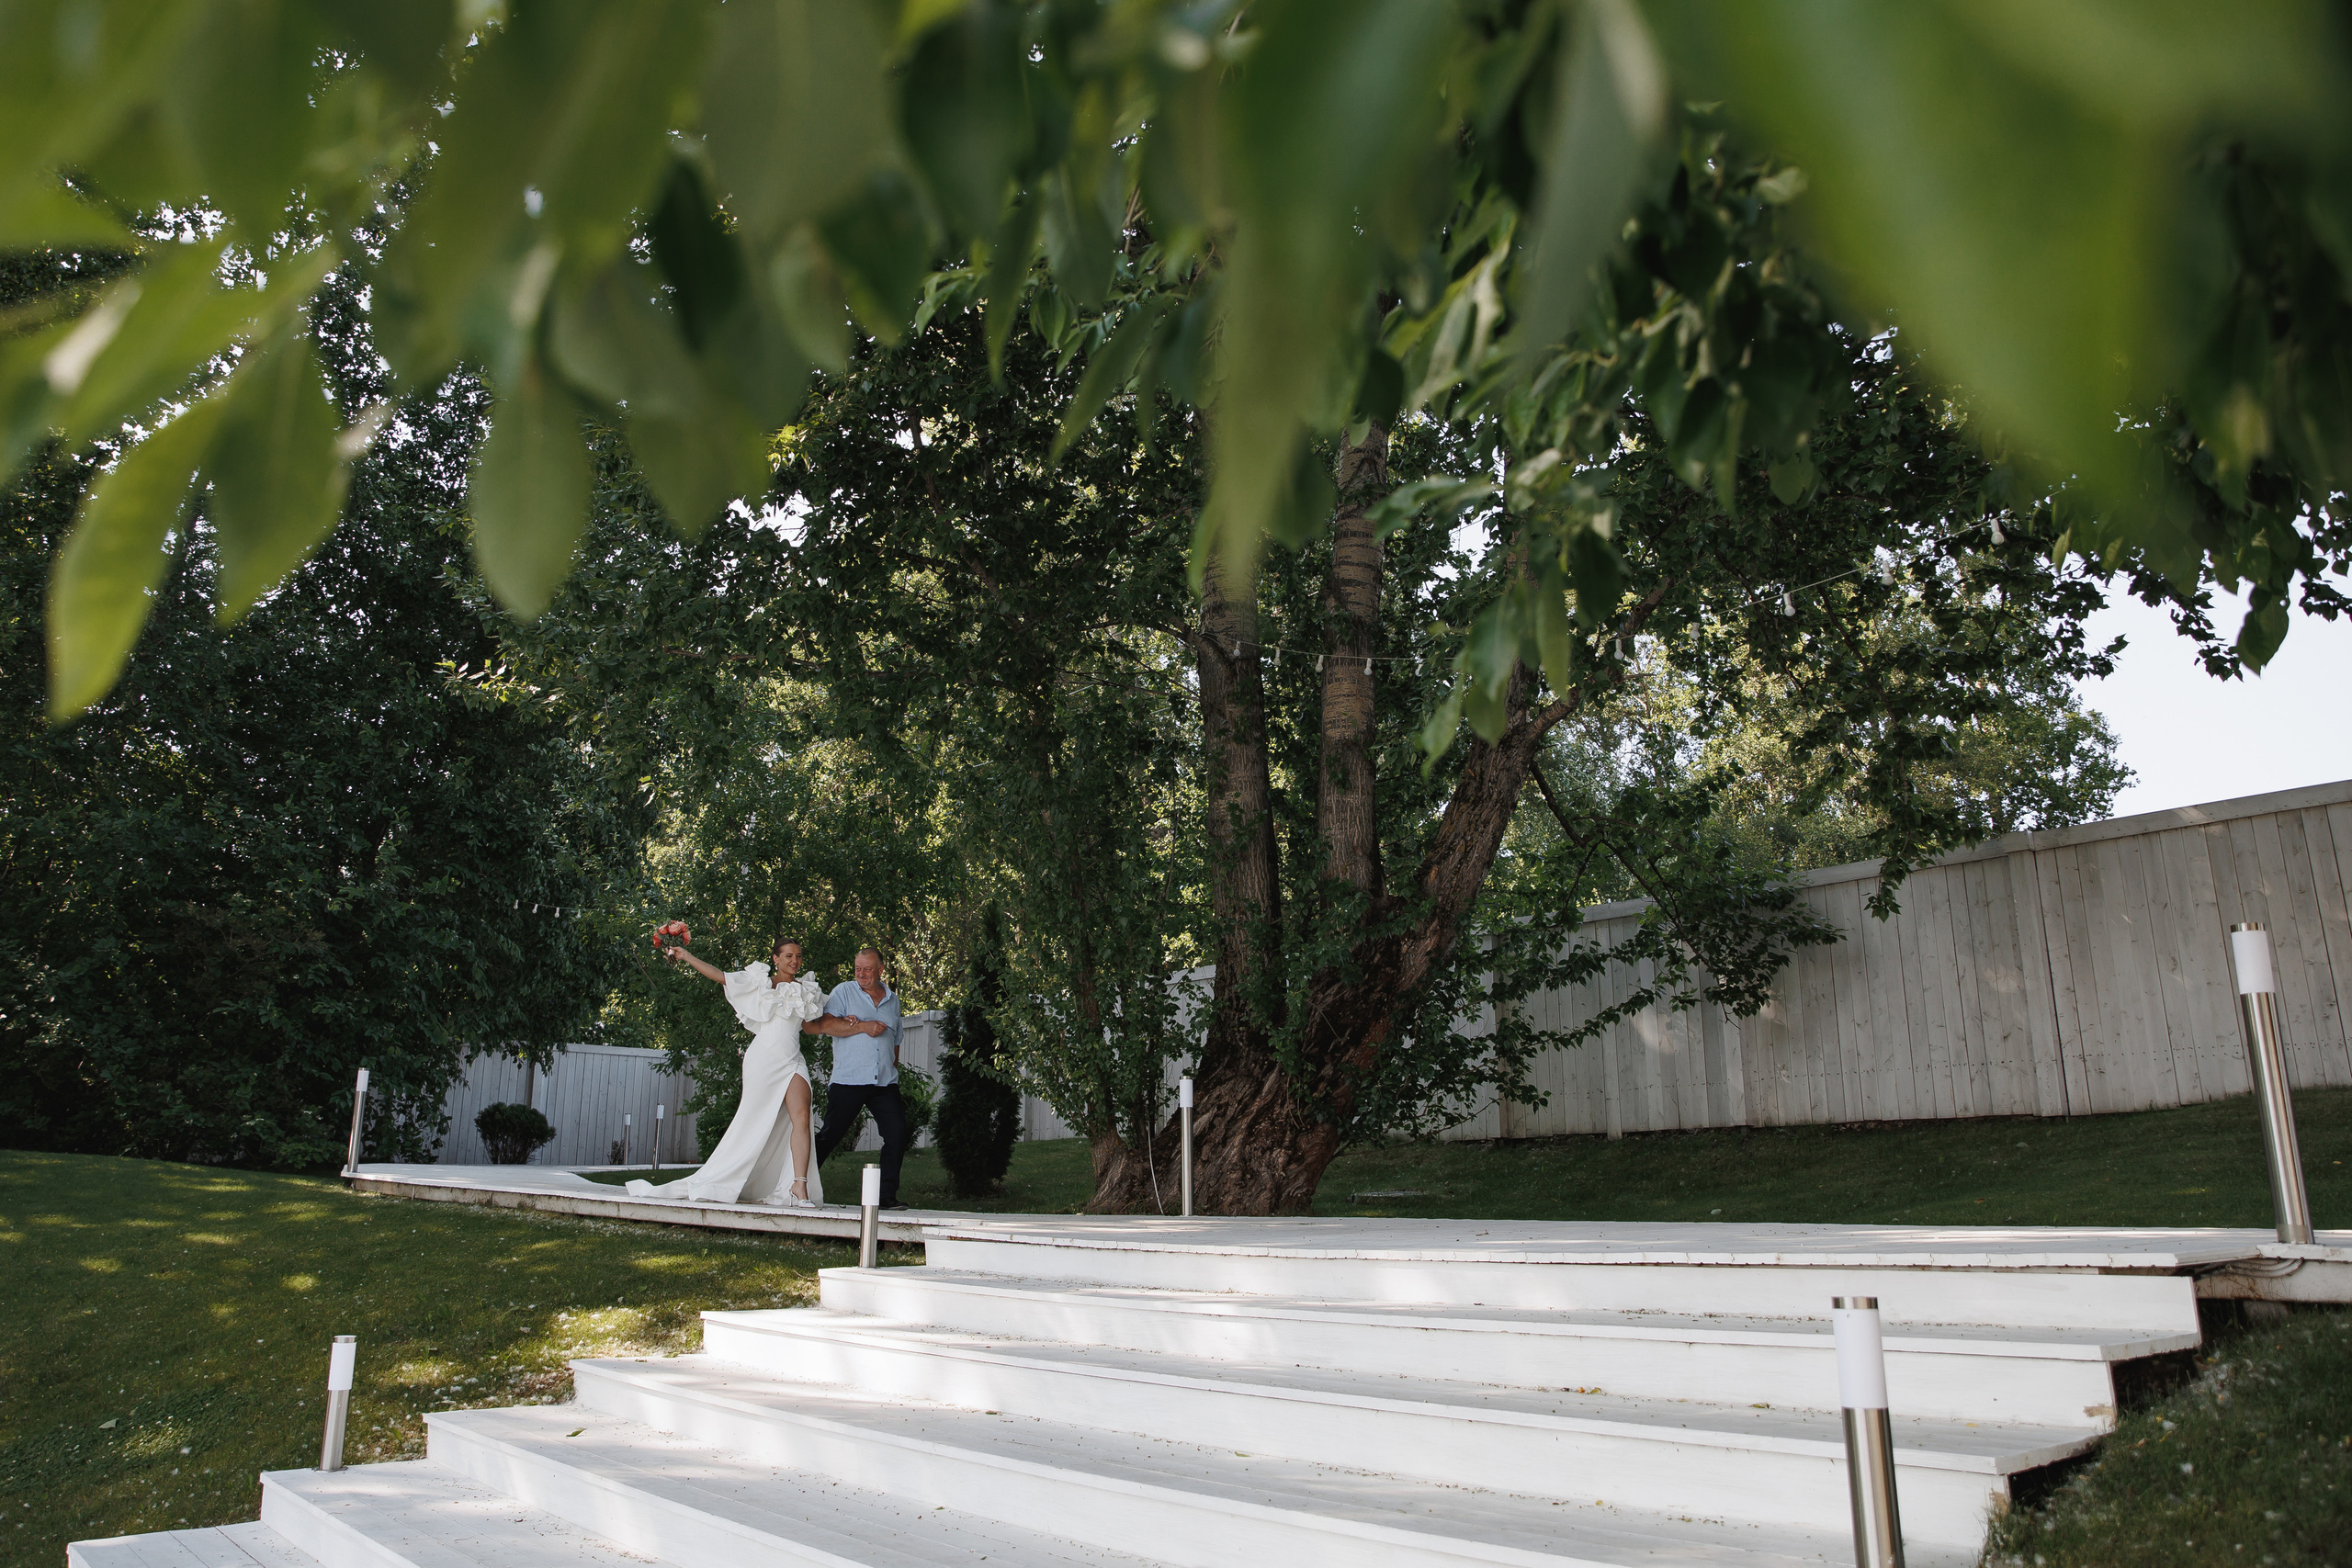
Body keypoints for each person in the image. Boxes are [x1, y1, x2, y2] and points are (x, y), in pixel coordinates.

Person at [630, 936, 827, 1206]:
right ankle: (726, 1178)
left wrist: (851, 1021)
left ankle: (799, 1187)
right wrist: (686, 955)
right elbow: (722, 977)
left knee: (802, 1118)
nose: (795, 961)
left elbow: (814, 1024)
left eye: (799, 956)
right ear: (776, 959)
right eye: (789, 956)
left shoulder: (807, 989)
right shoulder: (761, 984)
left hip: (793, 1058)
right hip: (764, 1059)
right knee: (752, 1123)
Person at [807, 945, 911, 1210]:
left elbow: (895, 1039)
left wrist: (892, 1065)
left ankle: (885, 1197)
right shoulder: (844, 992)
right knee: (830, 1135)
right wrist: (863, 1026)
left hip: (884, 1083)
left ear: (880, 970)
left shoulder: (893, 999)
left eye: (867, 969)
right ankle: (799, 1186)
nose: (862, 974)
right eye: (858, 969)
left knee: (897, 1134)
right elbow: (825, 1025)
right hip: (849, 1080)